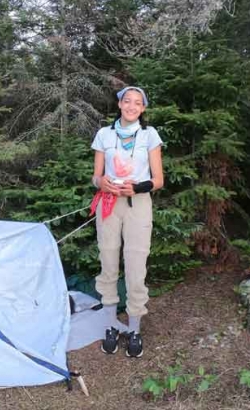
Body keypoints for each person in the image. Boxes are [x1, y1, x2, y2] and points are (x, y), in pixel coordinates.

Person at [90, 86, 164, 358]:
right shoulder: (104, 135)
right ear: (120, 104)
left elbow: (159, 180)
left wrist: (137, 187)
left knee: (135, 265)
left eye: (138, 103)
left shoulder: (150, 135)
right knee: (108, 261)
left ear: (142, 108)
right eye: (127, 101)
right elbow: (95, 177)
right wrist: (102, 182)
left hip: (138, 204)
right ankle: (110, 325)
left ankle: (134, 329)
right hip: (108, 204)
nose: (132, 106)